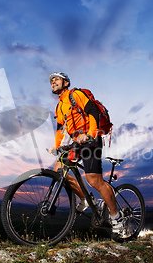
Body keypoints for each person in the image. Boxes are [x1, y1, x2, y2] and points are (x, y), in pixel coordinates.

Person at [48, 71, 124, 236]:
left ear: (66, 82)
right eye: (51, 80)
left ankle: (116, 217)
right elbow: (60, 129)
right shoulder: (59, 106)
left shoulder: (76, 94)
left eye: (56, 79)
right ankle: (85, 198)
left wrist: (90, 134)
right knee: (59, 169)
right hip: (77, 141)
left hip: (91, 138)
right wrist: (55, 146)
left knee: (94, 180)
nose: (53, 81)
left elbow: (93, 112)